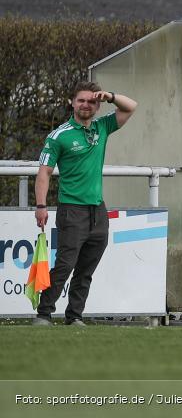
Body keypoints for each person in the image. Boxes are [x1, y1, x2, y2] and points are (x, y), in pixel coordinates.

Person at [33, 82, 137, 326]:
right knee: (65, 265)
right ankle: (43, 314)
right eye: (81, 100)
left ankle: (74, 316)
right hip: (72, 209)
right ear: (72, 102)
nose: (86, 105)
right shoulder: (59, 135)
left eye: (91, 101)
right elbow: (44, 172)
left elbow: (131, 107)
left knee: (86, 269)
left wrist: (111, 96)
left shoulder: (102, 126)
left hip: (98, 210)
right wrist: (40, 206)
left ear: (97, 105)